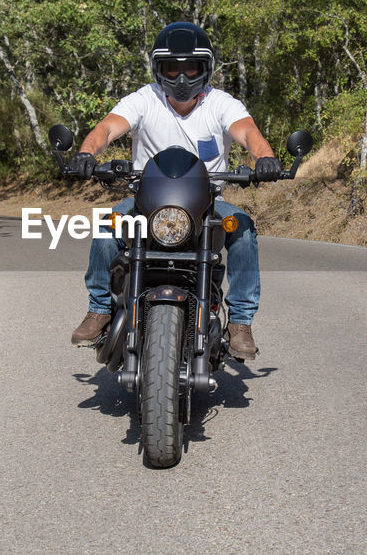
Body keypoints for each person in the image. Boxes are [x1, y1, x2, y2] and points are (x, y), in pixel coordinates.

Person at [69, 21, 280, 359]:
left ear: (205, 68)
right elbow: (106, 129)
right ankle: (99, 309)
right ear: (159, 69)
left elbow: (248, 133)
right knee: (108, 226)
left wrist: (266, 158)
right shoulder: (144, 99)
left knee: (242, 229)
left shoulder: (222, 104)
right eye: (172, 68)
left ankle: (240, 322)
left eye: (190, 67)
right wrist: (86, 153)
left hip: (207, 203)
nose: (182, 78)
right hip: (144, 201)